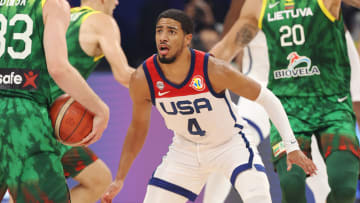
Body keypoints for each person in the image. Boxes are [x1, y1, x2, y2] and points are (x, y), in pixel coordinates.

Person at [101, 9, 316, 203]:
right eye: (159, 31)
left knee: (259, 197)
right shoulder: (144, 78)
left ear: (187, 39)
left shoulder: (213, 69)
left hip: (230, 145)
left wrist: (292, 146)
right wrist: (119, 178)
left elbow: (268, 99)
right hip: (185, 149)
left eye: (171, 31)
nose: (163, 37)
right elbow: (137, 129)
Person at [210, 0, 360, 202]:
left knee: (332, 182)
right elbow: (226, 46)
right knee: (231, 143)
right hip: (265, 89)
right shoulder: (255, 6)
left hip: (319, 94)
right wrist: (192, 77)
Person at [5, 0, 135, 202]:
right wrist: (163, 81)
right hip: (40, 123)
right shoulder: (98, 21)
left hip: (19, 113)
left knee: (99, 179)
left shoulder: (54, 14)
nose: (118, 1)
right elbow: (124, 75)